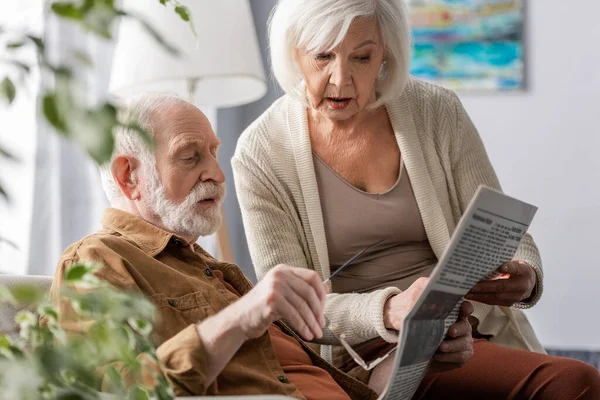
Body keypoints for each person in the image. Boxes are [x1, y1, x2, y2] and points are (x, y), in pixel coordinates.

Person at [231, 0, 600, 398]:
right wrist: (389, 311)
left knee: (573, 382)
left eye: (362, 57)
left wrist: (526, 275)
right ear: (293, 51)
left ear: (386, 51)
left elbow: (503, 230)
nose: (341, 79)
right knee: (577, 383)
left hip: (458, 332)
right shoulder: (260, 152)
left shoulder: (435, 111)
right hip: (361, 350)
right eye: (323, 56)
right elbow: (291, 310)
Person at [49, 94, 474, 399]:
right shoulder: (97, 261)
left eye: (213, 153)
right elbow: (108, 389)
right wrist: (244, 314)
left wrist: (418, 354)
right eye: (189, 156)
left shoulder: (207, 268)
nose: (216, 172)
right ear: (129, 177)